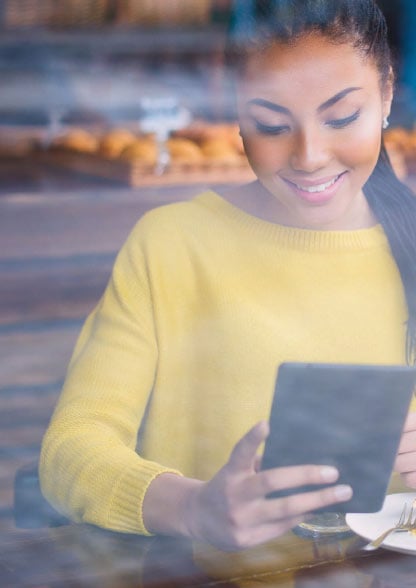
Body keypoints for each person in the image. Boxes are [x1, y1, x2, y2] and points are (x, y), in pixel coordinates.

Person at [40, 0, 416, 552]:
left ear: (386, 95)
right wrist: (191, 508)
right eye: (270, 123)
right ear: (235, 112)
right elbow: (71, 449)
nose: (309, 155)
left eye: (340, 118)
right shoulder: (171, 245)